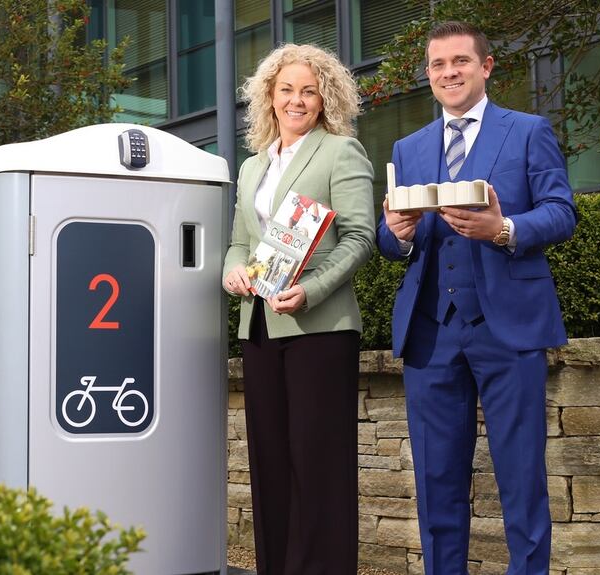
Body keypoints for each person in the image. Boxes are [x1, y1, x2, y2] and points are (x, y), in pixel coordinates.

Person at [377, 21, 577, 575]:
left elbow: (562, 212)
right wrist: (397, 232)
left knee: (520, 473)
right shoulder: (408, 146)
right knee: (436, 477)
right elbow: (387, 239)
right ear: (428, 75)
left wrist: (503, 228)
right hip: (431, 329)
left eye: (460, 61)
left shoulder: (528, 130)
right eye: (438, 65)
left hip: (508, 325)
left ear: (485, 67)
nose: (449, 73)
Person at [222, 43, 374, 574]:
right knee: (269, 462)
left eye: (309, 90)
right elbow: (241, 243)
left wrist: (311, 290)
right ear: (269, 95)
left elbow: (359, 238)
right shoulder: (250, 167)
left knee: (318, 463)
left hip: (319, 328)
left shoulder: (339, 151)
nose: (297, 99)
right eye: (287, 89)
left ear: (325, 97)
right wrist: (232, 272)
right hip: (260, 325)